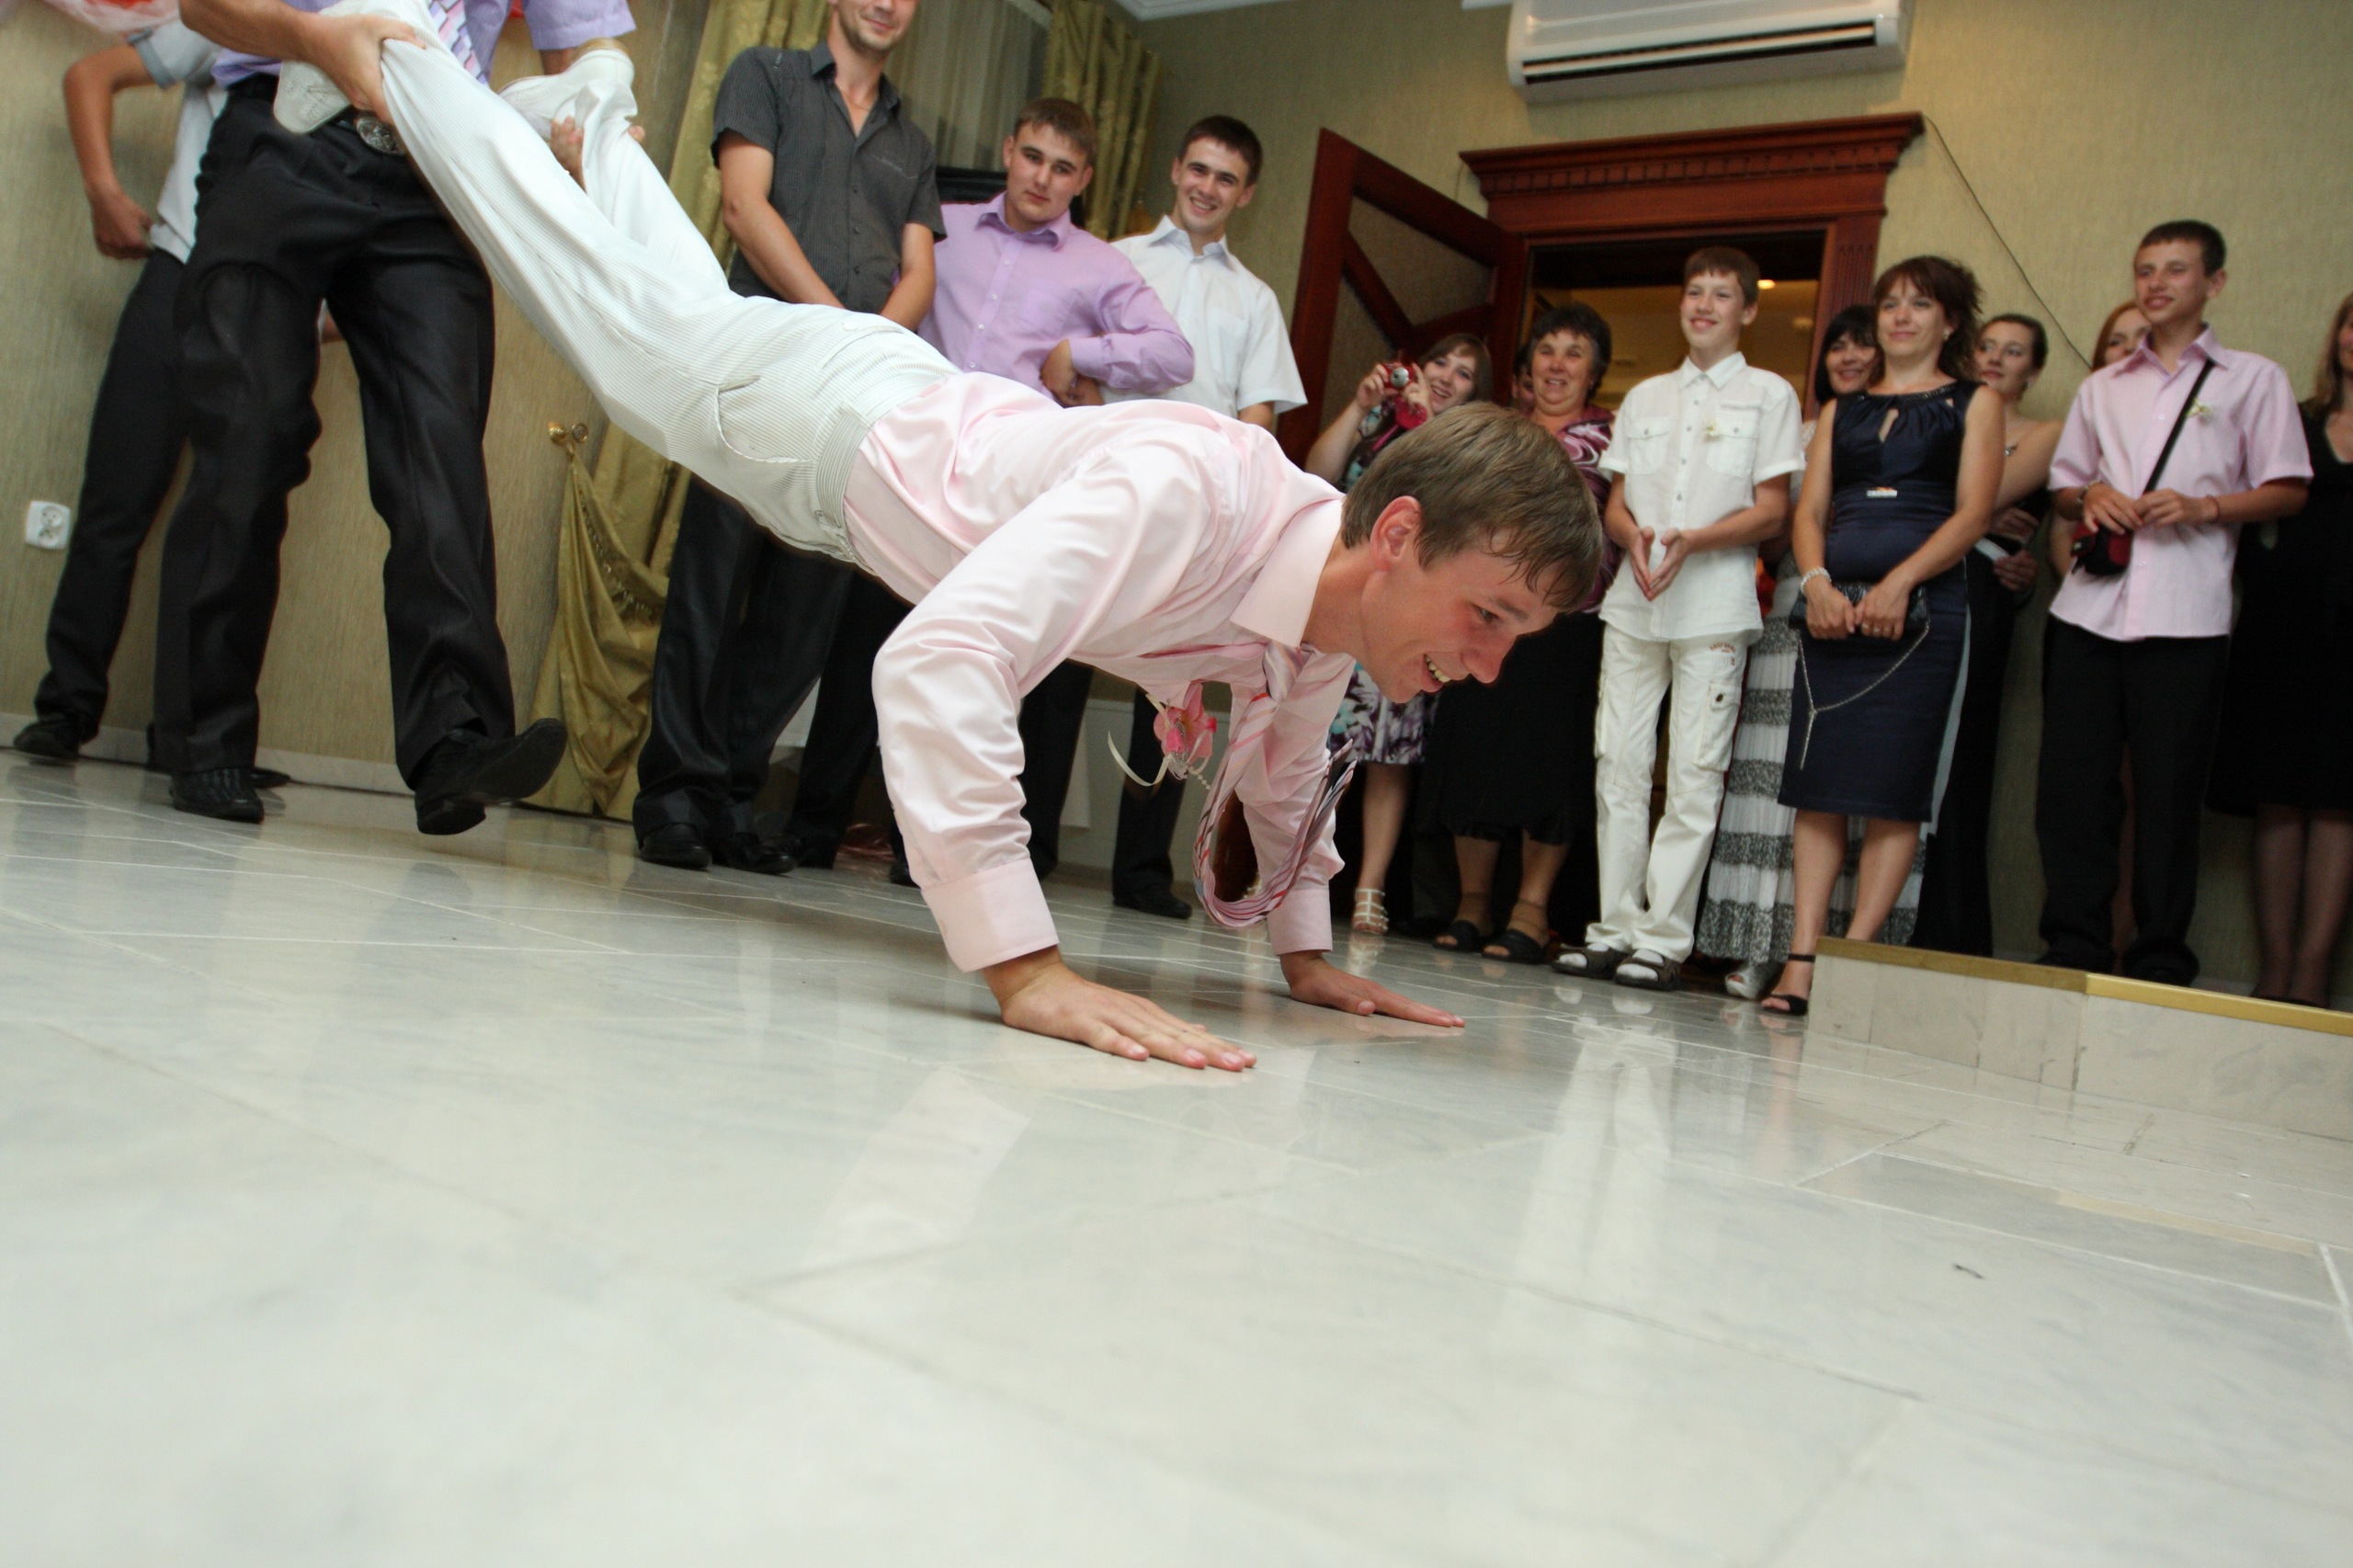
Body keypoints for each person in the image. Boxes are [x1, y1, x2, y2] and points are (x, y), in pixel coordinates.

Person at [313, 13, 1599, 1066]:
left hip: (891, 405)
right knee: (612, 328)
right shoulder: (1191, 494)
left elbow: (1282, 776)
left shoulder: (1326, 624)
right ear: (1399, 532)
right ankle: (407, 55)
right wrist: (1024, 966)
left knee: (675, 315)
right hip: (826, 428)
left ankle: (592, 108)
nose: (1490, 664)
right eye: (1490, 616)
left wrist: (1309, 959)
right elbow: (940, 664)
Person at [151, 0, 627, 830]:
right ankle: (205, 740)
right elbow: (203, 7)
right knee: (250, 435)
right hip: (284, 133)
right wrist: (312, 37)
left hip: (431, 169)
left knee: (439, 448)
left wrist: (591, 122)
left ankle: (454, 744)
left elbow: (586, 52)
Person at [784, 97, 1193, 886]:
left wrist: (1080, 352)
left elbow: (1172, 353)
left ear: (1084, 179)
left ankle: (923, 852)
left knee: (965, 671)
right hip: (909, 463)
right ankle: (812, 827)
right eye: (1033, 156)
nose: (1043, 178)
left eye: (1063, 168)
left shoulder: (1099, 265)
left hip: (1005, 488)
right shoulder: (942, 228)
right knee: (864, 644)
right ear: (1008, 150)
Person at [631, 0, 941, 876]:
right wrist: (837, 333)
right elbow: (744, 206)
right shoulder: (764, 75)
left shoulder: (913, 143)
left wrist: (866, 357)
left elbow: (919, 271)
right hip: (756, 368)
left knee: (802, 616)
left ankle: (731, 801)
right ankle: (673, 800)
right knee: (711, 588)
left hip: (846, 405)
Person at [2035, 221, 2310, 985]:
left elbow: (2290, 487)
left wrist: (2203, 507)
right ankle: (2074, 944)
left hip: (2188, 616)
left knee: (2167, 794)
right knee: (2072, 790)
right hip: (2088, 612)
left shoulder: (2252, 379)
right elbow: (2064, 487)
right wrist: (2091, 495)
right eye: (2145, 270)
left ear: (2213, 283)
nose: (2156, 284)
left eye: (2175, 270)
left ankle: (2159, 956)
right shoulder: (2103, 386)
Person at [14, 24, 279, 776]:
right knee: (116, 499)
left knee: (230, 527)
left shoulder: (370, 41)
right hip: (178, 277)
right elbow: (89, 75)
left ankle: (194, 741)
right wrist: (104, 193)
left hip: (271, 305)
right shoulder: (226, 18)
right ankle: (66, 708)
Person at [1553, 247, 1802, 992]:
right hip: (1636, 602)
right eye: (1695, 292)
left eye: (1722, 295)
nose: (1704, 305)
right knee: (1619, 766)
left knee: (1693, 772)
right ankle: (1613, 928)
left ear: (1747, 310)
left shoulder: (1769, 395)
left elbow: (1773, 511)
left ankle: (1664, 939)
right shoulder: (1647, 397)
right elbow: (1616, 501)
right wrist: (1632, 536)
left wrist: (1695, 541)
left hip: (1715, 606)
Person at [1762, 257, 2003, 1017]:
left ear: (1950, 321)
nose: (1900, 316)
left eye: (1920, 304)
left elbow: (1974, 512)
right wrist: (1817, 584)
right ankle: (1801, 960)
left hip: (1926, 613)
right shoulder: (1843, 409)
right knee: (1818, 788)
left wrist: (1902, 582)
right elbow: (1809, 511)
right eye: (1890, 303)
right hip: (1832, 610)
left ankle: (1854, 961)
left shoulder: (1977, 402)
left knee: (1896, 791)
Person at [1101, 114, 1307, 921]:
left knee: (1173, 688)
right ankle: (1025, 847)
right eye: (1198, 169)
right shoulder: (1117, 260)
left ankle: (1141, 872)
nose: (1207, 187)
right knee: (1046, 659)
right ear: (1175, 169)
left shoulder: (1254, 299)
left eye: (1226, 178)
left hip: (1195, 514)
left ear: (1246, 194)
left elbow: (1259, 419)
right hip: (1107, 481)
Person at [1419, 303, 1614, 962]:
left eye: (1574, 353)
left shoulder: (1613, 438)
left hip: (1569, 625)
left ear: (1594, 371)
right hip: (1485, 612)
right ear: (1529, 365)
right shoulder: (1498, 428)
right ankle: (1473, 904)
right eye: (1547, 350)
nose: (1557, 364)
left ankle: (1531, 910)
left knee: (1549, 762)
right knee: (1474, 750)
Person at [1694, 304, 1878, 999]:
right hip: (1792, 608)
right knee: (1772, 778)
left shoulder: (1895, 433)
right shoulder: (1796, 432)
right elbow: (1769, 535)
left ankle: (1831, 956)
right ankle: (1757, 948)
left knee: (1843, 787)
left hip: (1870, 611)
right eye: (1838, 346)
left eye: (1863, 345)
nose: (1849, 356)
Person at [1303, 335, 1491, 936]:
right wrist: (1361, 406)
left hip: (1406, 616)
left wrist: (1427, 424)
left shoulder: (1464, 451)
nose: (1446, 376)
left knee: (1389, 758)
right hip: (1342, 602)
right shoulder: (1379, 420)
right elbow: (1318, 472)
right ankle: (1283, 869)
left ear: (1475, 394)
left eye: (1464, 373)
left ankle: (1369, 889)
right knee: (1308, 746)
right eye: (1440, 361)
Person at [2207, 292, 2353, 1006]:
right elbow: (2243, 508)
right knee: (2278, 798)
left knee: (2340, 803)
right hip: (2281, 628)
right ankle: (2276, 967)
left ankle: (2313, 974)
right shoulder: (2296, 419)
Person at [1909, 312, 2061, 955]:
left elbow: (1965, 502)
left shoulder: (2045, 433)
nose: (1996, 358)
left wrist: (1962, 508)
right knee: (1904, 754)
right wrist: (1972, 510)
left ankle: (1948, 933)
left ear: (2034, 370)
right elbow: (1932, 501)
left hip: (1981, 593)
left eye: (2014, 351)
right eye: (1987, 346)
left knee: (1960, 759)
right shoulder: (1940, 418)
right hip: (1916, 585)